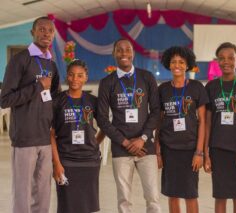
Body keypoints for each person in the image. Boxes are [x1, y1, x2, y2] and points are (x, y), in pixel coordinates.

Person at [0, 16, 60, 213]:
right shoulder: (20, 60)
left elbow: (54, 98)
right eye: (41, 29)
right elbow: (5, 99)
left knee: (43, 191)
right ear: (32, 32)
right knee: (22, 192)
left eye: (50, 30)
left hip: (45, 137)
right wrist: (37, 86)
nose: (46, 33)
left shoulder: (51, 64)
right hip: (24, 137)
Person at [97, 38, 161, 213]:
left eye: (127, 49)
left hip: (146, 147)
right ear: (114, 54)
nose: (124, 53)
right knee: (124, 199)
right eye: (119, 50)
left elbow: (156, 111)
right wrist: (125, 142)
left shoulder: (146, 77)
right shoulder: (107, 83)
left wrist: (143, 138)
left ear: (133, 53)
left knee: (153, 197)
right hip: (120, 149)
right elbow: (102, 119)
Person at [204, 42, 236, 213]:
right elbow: (208, 123)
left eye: (230, 58)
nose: (226, 61)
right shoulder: (211, 86)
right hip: (218, 149)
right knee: (220, 196)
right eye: (222, 58)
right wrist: (206, 153)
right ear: (217, 61)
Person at [156, 46, 208, 213]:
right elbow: (159, 122)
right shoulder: (163, 89)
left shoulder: (196, 87)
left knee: (190, 194)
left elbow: (203, 122)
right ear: (168, 65)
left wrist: (199, 152)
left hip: (190, 150)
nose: (177, 65)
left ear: (187, 65)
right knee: (172, 194)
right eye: (173, 62)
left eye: (181, 62)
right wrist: (158, 152)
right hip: (169, 150)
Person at [51, 59, 104, 213]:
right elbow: (51, 134)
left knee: (87, 205)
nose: (75, 79)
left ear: (86, 77)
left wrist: (95, 142)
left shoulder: (93, 101)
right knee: (67, 205)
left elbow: (105, 127)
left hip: (89, 161)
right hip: (66, 160)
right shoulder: (57, 101)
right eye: (72, 75)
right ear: (67, 76)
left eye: (80, 75)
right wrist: (56, 163)